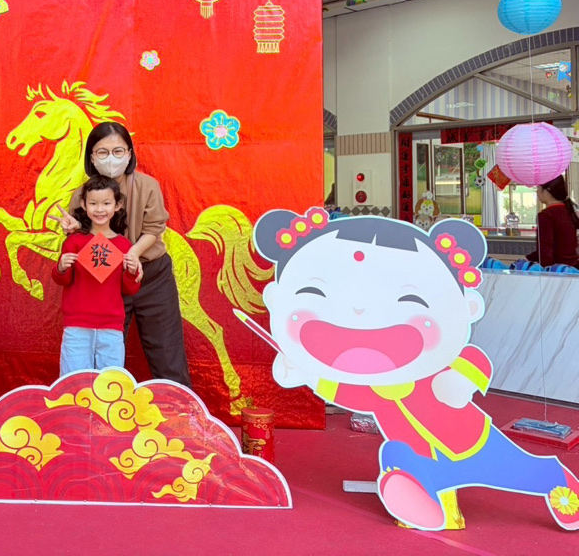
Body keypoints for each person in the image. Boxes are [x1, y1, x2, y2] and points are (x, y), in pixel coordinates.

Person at [252, 208, 579, 532]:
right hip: (420, 454)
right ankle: (423, 502)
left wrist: (461, 380)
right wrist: (308, 373)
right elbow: (349, 391)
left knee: (521, 473)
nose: (360, 310)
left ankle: (557, 481)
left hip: (473, 444)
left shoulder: (440, 359)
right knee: (398, 454)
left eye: (409, 298)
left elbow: (471, 360)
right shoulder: (377, 380)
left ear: (467, 307)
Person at [52, 121, 193, 387]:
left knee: (167, 351)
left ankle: (179, 408)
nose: (111, 158)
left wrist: (132, 255)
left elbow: (155, 228)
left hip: (151, 273)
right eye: (102, 152)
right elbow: (83, 240)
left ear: (129, 154)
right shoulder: (82, 193)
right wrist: (75, 229)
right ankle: (94, 408)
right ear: (91, 157)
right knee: (106, 356)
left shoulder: (148, 186)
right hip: (104, 279)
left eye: (118, 151)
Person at [52, 176, 141, 377]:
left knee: (111, 383)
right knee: (74, 381)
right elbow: (63, 280)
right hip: (77, 325)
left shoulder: (124, 245)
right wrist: (61, 267)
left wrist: (132, 272)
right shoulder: (74, 241)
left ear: (117, 205)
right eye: (93, 204)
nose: (100, 209)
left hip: (111, 326)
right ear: (84, 205)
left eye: (106, 203)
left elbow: (130, 289)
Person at [526, 175, 579, 268]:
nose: (537, 191)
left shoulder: (546, 215)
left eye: (538, 188)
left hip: (557, 271)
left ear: (547, 191)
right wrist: (528, 258)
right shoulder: (569, 211)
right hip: (573, 268)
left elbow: (545, 253)